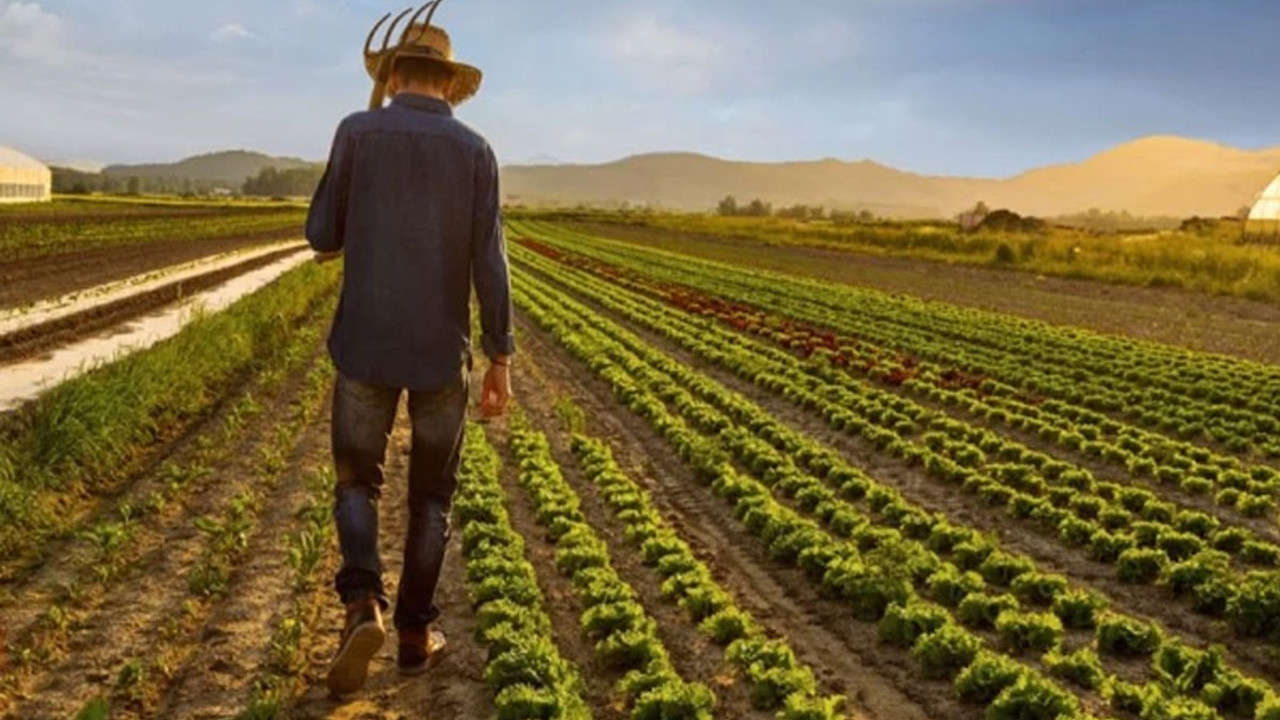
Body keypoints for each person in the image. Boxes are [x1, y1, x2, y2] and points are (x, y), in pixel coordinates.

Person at [305, 7, 514, 697]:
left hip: (363, 343)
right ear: (450, 86)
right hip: (438, 355)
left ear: (393, 75)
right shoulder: (477, 151)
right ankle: (416, 636)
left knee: (355, 482)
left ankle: (363, 603)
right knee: (432, 496)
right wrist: (500, 358)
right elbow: (491, 263)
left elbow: (320, 234)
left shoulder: (356, 131)